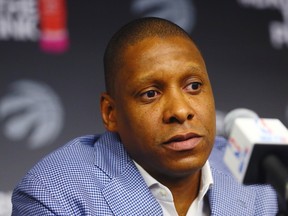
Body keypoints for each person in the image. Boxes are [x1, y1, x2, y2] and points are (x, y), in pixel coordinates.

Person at [12, 17, 278, 215]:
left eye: (194, 86)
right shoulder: (53, 195)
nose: (180, 111)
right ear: (110, 113)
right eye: (150, 93)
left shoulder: (260, 175)